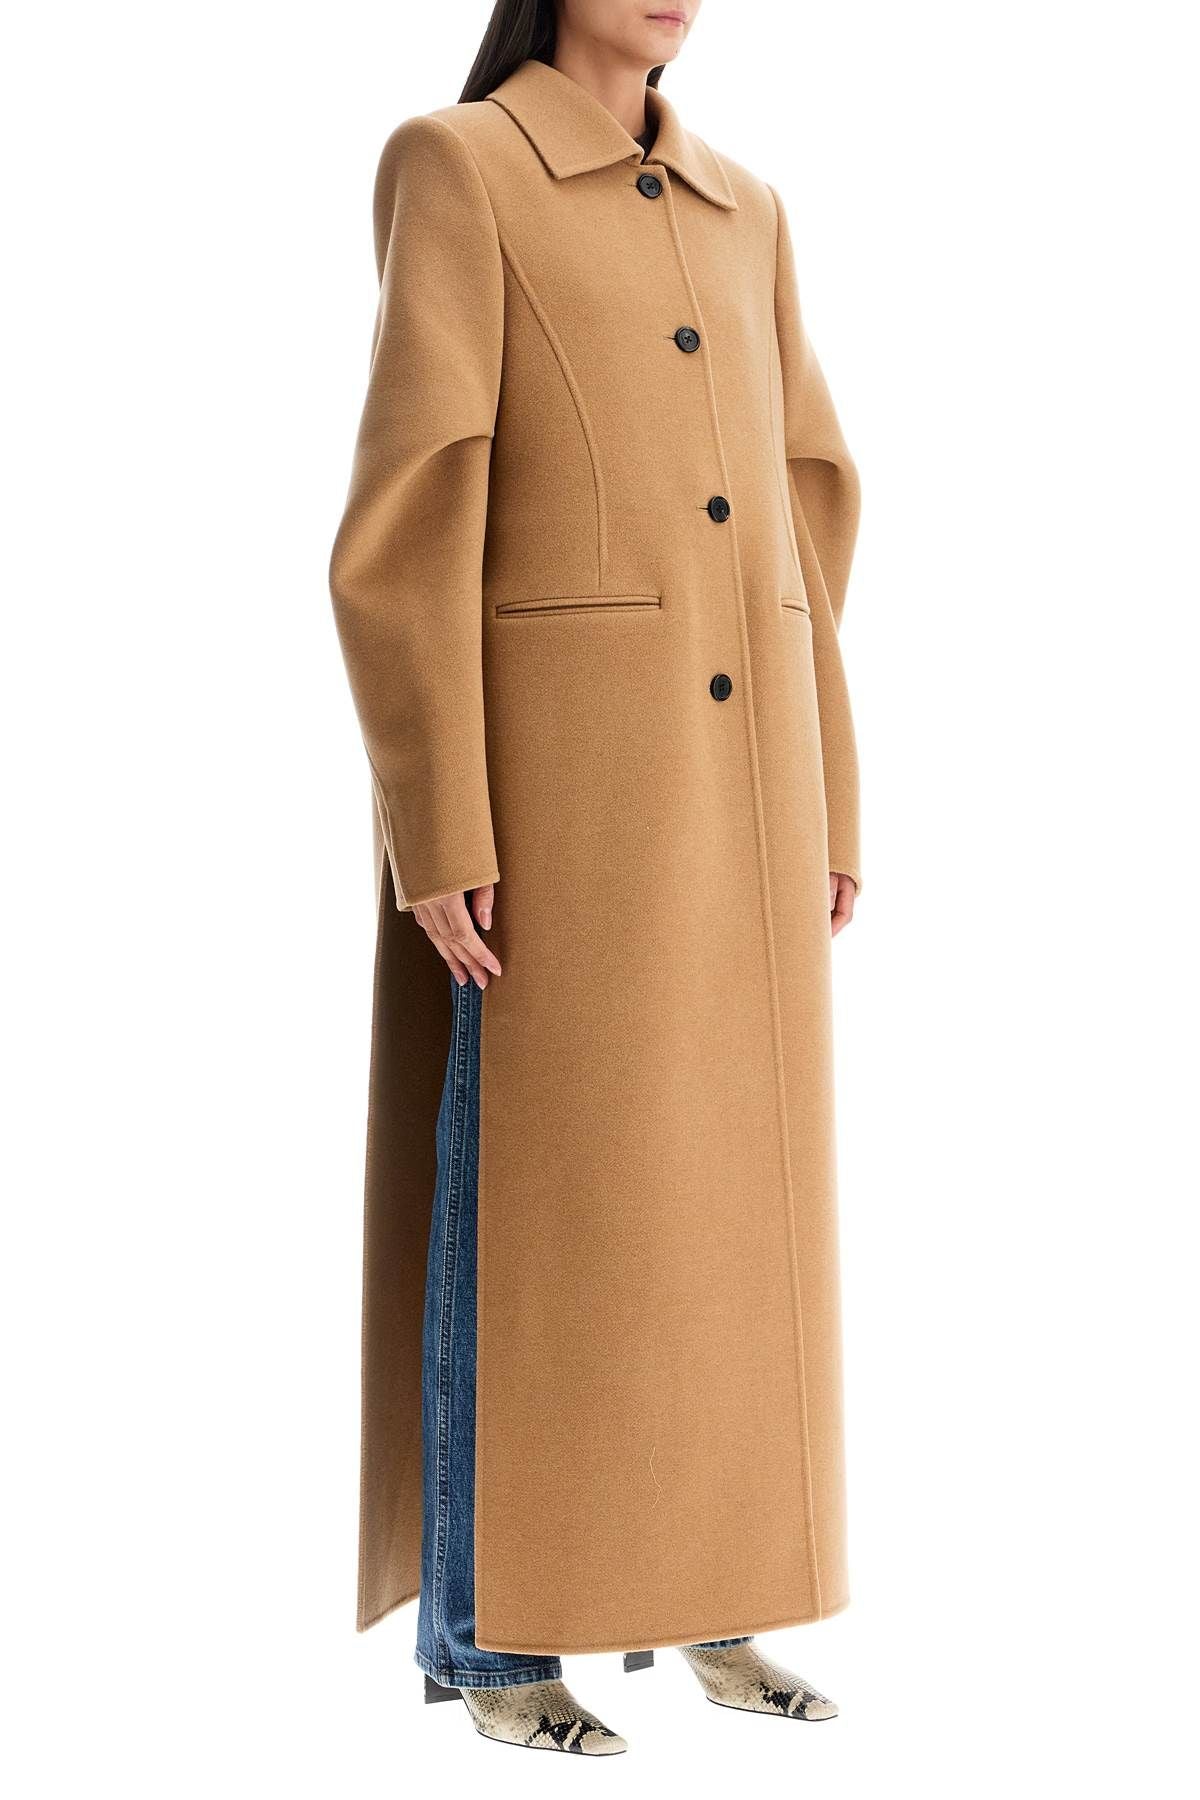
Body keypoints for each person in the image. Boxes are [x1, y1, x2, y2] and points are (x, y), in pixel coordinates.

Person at [329, 0, 861, 1757]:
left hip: (752, 779)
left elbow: (806, 512)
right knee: (548, 1214)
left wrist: (834, 792)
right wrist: (439, 821)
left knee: (728, 1219)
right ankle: (493, 1642)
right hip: (562, 792)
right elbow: (410, 516)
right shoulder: (461, 165)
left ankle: (714, 1597)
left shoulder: (747, 207)